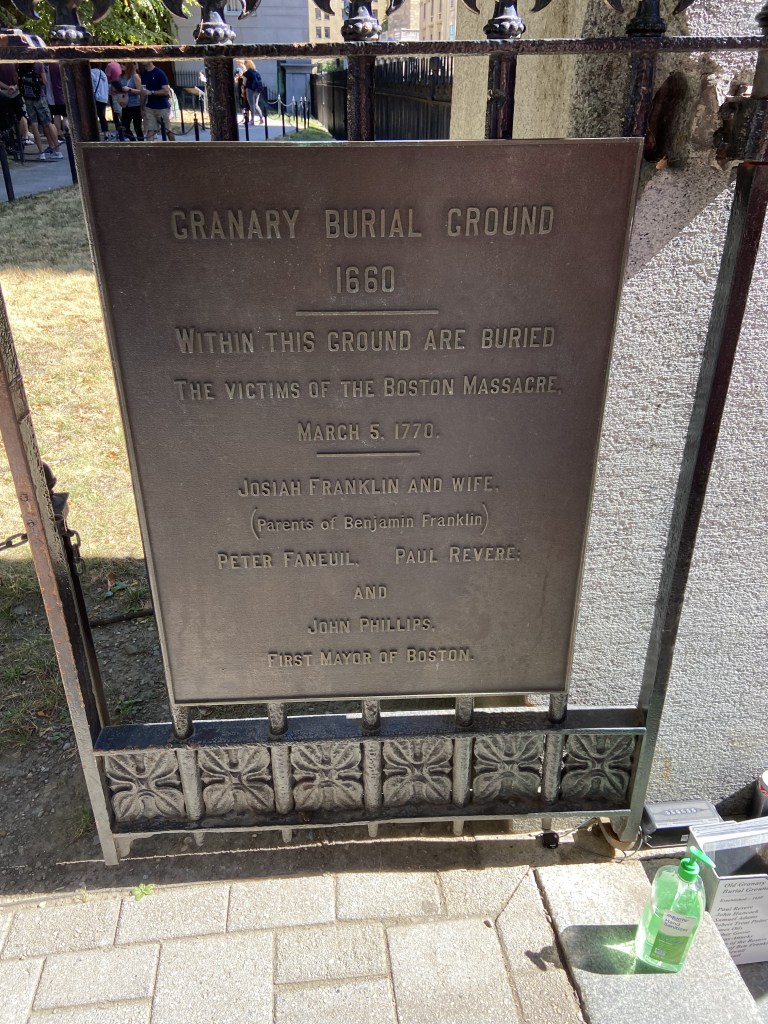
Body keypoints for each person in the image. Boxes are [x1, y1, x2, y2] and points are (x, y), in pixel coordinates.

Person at [17, 63, 63, 161]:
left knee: (34, 125)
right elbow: (44, 81)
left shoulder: (20, 64)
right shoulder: (38, 64)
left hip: (28, 97)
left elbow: (19, 81)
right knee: (48, 123)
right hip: (39, 96)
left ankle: (41, 152)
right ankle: (57, 150)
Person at [139, 61, 175, 141]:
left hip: (162, 107)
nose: (141, 61)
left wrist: (152, 92)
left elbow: (166, 91)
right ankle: (150, 151)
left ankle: (175, 147)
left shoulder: (159, 73)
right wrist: (142, 107)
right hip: (149, 107)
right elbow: (143, 92)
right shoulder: (143, 74)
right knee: (150, 130)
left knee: (168, 130)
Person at [0, 64, 28, 155]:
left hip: (4, 93)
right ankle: (22, 139)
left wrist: (8, 87)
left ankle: (14, 140)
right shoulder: (14, 60)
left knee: (7, 119)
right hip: (16, 92)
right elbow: (19, 77)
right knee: (21, 116)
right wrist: (15, 87)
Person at [116, 62, 143, 141]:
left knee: (137, 127)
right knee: (125, 127)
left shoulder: (135, 76)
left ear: (129, 65)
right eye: (120, 64)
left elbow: (140, 91)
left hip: (135, 105)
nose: (121, 65)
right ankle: (133, 141)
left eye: (124, 64)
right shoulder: (120, 77)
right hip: (125, 105)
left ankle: (141, 144)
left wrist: (130, 89)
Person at [45, 62, 67, 138]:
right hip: (61, 94)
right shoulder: (59, 65)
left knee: (56, 116)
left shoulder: (47, 66)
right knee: (65, 116)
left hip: (51, 96)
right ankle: (67, 134)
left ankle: (58, 134)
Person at [242, 59, 264, 126]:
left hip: (250, 89)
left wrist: (243, 89)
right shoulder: (256, 72)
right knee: (256, 104)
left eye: (245, 64)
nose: (244, 66)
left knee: (252, 105)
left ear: (247, 65)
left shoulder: (246, 73)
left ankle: (252, 120)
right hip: (257, 90)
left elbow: (244, 83)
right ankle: (261, 118)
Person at [91, 63, 110, 136]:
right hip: (104, 97)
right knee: (102, 116)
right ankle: (106, 133)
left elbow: (91, 85)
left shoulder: (91, 72)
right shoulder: (103, 73)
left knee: (93, 115)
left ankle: (94, 133)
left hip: (96, 97)